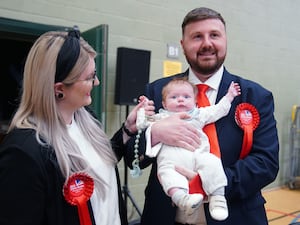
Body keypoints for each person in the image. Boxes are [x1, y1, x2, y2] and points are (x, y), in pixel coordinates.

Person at [124, 7, 279, 225]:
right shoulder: (158, 92)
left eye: (214, 35)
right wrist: (155, 134)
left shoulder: (255, 96)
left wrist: (209, 183)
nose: (207, 43)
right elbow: (133, 159)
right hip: (166, 216)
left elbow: (266, 163)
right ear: (183, 44)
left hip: (236, 216)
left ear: (225, 40)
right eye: (197, 36)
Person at [0, 27, 155, 225]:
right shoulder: (24, 151)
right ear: (59, 89)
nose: (97, 82)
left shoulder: (86, 118)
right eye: (90, 77)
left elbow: (95, 166)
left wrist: (126, 129)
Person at [136, 78, 241, 221]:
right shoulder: (161, 117)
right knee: (166, 173)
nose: (180, 100)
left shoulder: (198, 114)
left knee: (212, 162)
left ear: (195, 102)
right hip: (172, 160)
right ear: (164, 104)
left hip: (197, 154)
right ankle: (182, 199)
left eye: (186, 97)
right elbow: (142, 124)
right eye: (174, 97)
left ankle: (218, 198)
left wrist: (229, 96)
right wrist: (143, 109)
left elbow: (218, 111)